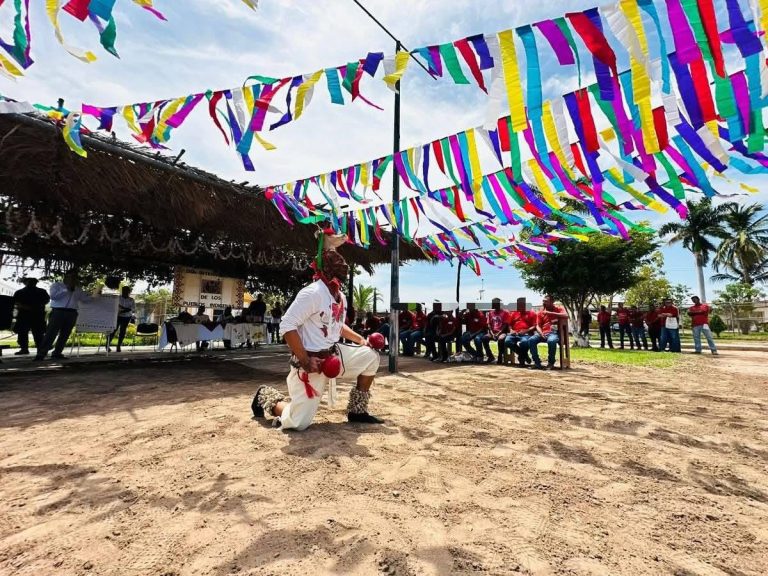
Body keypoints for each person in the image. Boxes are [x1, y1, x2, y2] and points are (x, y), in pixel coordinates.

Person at [251, 232, 383, 430]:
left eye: (342, 261)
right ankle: (265, 395)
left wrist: (360, 340)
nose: (344, 265)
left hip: (334, 353)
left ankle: (357, 410)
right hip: (312, 362)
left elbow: (337, 325)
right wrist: (305, 360)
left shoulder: (340, 296)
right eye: (337, 262)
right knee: (297, 423)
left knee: (371, 357)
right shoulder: (312, 293)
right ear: (326, 269)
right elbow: (287, 325)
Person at [35, 270, 90, 361]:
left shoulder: (78, 288)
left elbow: (85, 299)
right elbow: (53, 297)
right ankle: (41, 354)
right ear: (66, 276)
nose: (73, 279)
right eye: (70, 276)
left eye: (74, 277)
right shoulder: (57, 285)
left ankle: (57, 353)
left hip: (72, 313)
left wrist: (95, 295)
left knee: (65, 334)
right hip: (58, 312)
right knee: (51, 333)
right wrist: (67, 288)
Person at [528, 295, 568, 370]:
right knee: (531, 340)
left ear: (552, 302)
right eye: (543, 301)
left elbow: (566, 315)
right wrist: (540, 333)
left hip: (554, 333)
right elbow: (538, 325)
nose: (544, 303)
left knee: (551, 341)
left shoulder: (558, 309)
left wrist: (551, 313)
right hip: (543, 333)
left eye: (546, 301)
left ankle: (551, 363)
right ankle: (537, 363)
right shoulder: (540, 312)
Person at [12, 277, 50, 356]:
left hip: (36, 315)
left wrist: (31, 307)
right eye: (28, 282)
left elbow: (45, 301)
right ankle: (24, 348)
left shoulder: (41, 291)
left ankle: (39, 348)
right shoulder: (19, 292)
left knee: (38, 333)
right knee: (23, 332)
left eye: (32, 282)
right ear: (25, 283)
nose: (30, 284)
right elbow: (15, 303)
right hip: (25, 315)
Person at [504, 298, 538, 367]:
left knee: (524, 342)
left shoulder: (532, 313)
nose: (519, 307)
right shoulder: (513, 313)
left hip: (526, 334)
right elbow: (509, 324)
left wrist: (526, 330)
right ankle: (524, 355)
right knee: (507, 341)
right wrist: (511, 330)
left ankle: (521, 360)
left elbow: (534, 326)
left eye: (521, 305)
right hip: (514, 333)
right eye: (518, 305)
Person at [107, 286, 135, 353]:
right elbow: (115, 307)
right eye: (124, 291)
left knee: (122, 331)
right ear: (122, 291)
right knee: (113, 330)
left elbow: (132, 309)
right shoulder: (117, 298)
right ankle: (107, 345)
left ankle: (118, 346)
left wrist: (122, 309)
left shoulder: (131, 300)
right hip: (117, 316)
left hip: (126, 317)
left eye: (127, 291)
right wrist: (123, 309)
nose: (125, 292)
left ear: (129, 292)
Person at [485, 299, 508, 364]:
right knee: (484, 338)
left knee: (501, 339)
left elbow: (505, 325)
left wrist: (498, 333)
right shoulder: (490, 313)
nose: (493, 305)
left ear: (499, 304)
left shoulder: (505, 312)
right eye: (493, 303)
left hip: (502, 332)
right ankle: (490, 356)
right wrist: (492, 334)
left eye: (494, 303)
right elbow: (489, 324)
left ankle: (500, 356)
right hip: (492, 332)